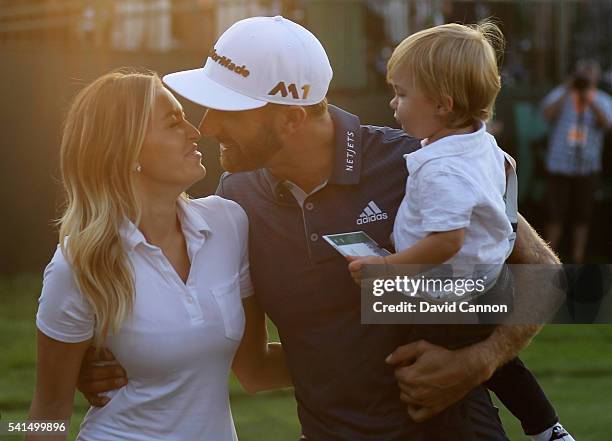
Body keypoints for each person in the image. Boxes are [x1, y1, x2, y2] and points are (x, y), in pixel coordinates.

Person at [79, 17, 561, 441]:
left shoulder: (419, 162)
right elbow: (253, 370)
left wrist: (479, 360)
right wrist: (134, 362)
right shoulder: (235, 201)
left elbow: (549, 278)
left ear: (290, 119)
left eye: (228, 110)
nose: (207, 126)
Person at [28, 69, 290, 441]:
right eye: (173, 122)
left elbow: (255, 368)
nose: (195, 131)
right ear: (127, 148)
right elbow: (46, 410)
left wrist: (366, 358)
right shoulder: (78, 263)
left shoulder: (228, 222)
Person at [347, 22, 574, 441]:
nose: (393, 104)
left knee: (397, 350)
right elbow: (510, 168)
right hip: (485, 285)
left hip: (447, 293)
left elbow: (446, 241)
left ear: (443, 106)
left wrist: (387, 267)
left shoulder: (442, 169)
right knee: (506, 366)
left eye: (402, 93)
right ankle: (548, 429)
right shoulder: (480, 143)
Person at [541, 59, 612, 263]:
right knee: (555, 215)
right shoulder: (562, 94)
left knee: (583, 216)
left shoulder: (603, 100)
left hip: (587, 167)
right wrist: (568, 88)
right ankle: (547, 261)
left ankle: (577, 258)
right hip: (560, 165)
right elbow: (546, 113)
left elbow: (607, 124)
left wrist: (589, 98)